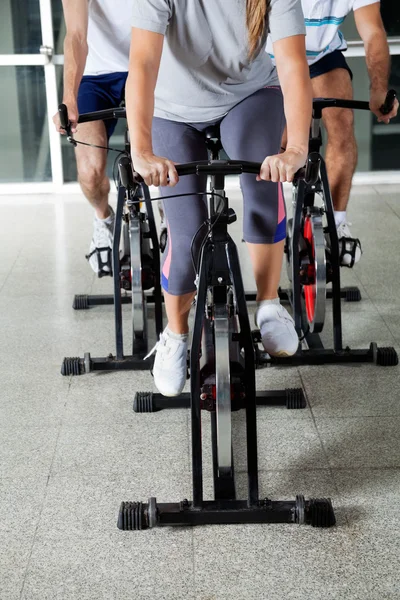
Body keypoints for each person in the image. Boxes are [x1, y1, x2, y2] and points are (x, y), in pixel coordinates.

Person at [127, 0, 312, 397]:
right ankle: (176, 335)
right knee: (185, 228)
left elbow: (293, 63)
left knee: (262, 175)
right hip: (172, 109)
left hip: (249, 95)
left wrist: (296, 147)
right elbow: (142, 63)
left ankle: (267, 303)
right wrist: (141, 149)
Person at [267, 0, 399, 266]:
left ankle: (337, 224)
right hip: (270, 55)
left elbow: (373, 32)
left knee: (342, 124)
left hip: (322, 56)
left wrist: (378, 90)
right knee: (277, 141)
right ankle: (269, 224)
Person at [53, 0, 132, 275]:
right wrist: (69, 99)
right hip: (96, 77)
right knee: (90, 171)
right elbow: (76, 34)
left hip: (151, 67)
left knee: (168, 154)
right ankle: (103, 219)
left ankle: (172, 221)